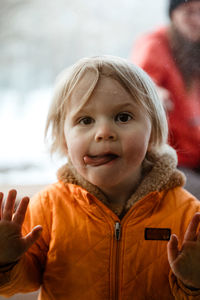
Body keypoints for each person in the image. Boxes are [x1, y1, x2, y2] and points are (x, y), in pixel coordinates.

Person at [0, 56, 200, 299]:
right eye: (85, 120)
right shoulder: (47, 208)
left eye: (123, 117)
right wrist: (6, 262)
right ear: (64, 139)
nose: (104, 132)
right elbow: (21, 282)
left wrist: (193, 283)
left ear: (154, 130)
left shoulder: (189, 214)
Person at [130, 0, 200, 198]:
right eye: (189, 13)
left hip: (194, 152)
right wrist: (155, 94)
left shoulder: (194, 50)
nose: (197, 20)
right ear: (173, 15)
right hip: (167, 157)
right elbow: (140, 85)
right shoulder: (155, 44)